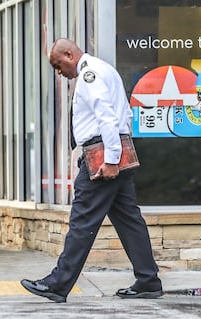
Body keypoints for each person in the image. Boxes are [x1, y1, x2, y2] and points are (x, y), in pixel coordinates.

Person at [20, 38, 164, 303]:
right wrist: (118, 154)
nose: (58, 72)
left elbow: (107, 116)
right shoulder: (104, 69)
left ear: (68, 53)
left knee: (82, 220)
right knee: (130, 220)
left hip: (102, 157)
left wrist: (110, 160)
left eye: (58, 64)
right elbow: (125, 116)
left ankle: (58, 283)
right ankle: (148, 281)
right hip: (118, 151)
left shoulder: (89, 74)